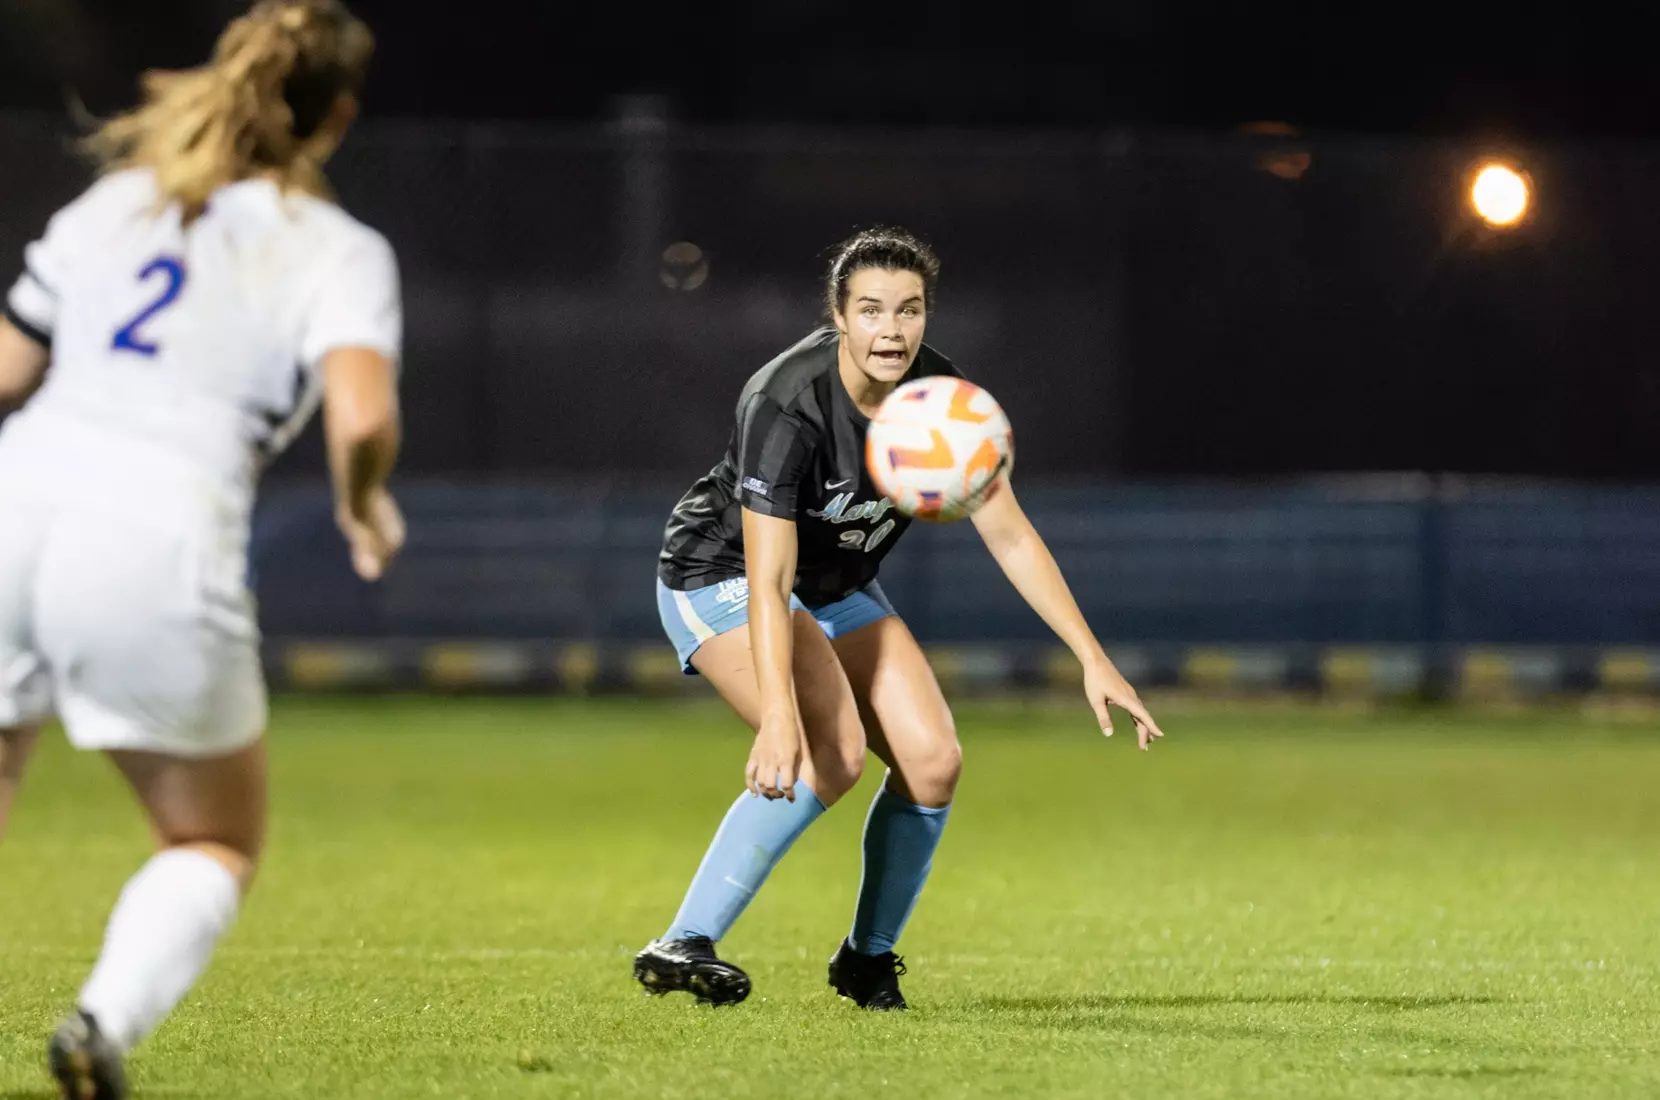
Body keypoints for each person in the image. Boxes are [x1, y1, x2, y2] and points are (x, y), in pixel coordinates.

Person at [0, 3, 403, 1095]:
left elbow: (6, 366)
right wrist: (366, 505)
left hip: (16, 496)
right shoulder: (336, 250)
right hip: (154, 533)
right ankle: (101, 1023)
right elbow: (361, 418)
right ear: (337, 117)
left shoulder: (118, 201)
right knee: (212, 838)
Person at [635, 227, 1164, 1011]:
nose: (892, 330)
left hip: (834, 585)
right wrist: (778, 715)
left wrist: (1092, 655)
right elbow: (770, 570)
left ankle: (866, 960)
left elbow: (1011, 533)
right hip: (723, 575)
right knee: (834, 752)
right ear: (839, 317)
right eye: (873, 310)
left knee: (933, 762)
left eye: (909, 311)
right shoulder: (786, 400)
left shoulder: (944, 403)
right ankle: (683, 941)